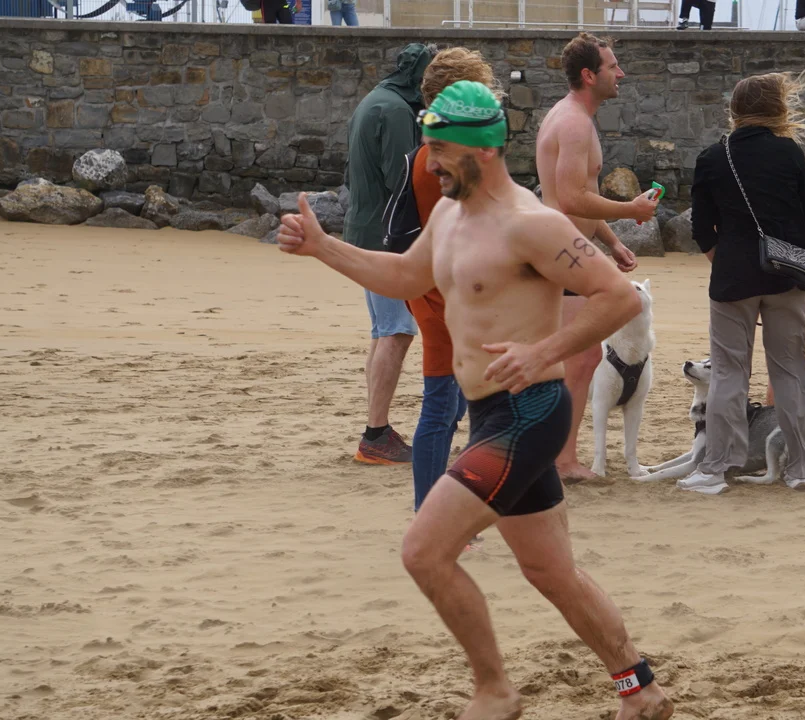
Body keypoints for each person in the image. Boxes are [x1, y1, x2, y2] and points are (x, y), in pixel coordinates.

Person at [277, 79, 675, 720]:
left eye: (440, 149)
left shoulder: (532, 225)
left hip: (529, 412)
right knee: (551, 572)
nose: (429, 161)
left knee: (423, 552)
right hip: (492, 413)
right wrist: (324, 248)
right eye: (427, 147)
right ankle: (641, 689)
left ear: (483, 150)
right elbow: (405, 275)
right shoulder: (448, 215)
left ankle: (494, 689)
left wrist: (544, 352)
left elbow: (620, 297)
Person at [678, 72, 805, 496]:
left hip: (733, 277)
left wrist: (724, 260)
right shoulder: (790, 152)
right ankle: (800, 468)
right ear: (778, 108)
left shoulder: (713, 156)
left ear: (735, 111)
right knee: (791, 370)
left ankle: (716, 469)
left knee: (729, 372)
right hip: (788, 273)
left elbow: (701, 227)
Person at [536, 33, 656, 483]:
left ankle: (556, 455)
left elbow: (575, 194)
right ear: (589, 75)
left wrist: (611, 240)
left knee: (577, 356)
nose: (620, 73)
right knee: (581, 357)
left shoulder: (574, 116)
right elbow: (570, 197)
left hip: (570, 249)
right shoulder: (573, 123)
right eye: (612, 66)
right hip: (562, 252)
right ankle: (562, 461)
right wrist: (631, 209)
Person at [405, 47, 501, 512]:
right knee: (441, 409)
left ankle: (439, 510)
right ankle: (430, 514)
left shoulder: (440, 154)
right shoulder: (438, 160)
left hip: (450, 300)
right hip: (442, 302)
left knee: (452, 407)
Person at [344, 43, 436, 466]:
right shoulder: (397, 111)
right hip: (385, 237)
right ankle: (375, 435)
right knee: (396, 331)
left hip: (364, 229)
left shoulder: (374, 100)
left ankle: (376, 429)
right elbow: (404, 180)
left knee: (384, 331)